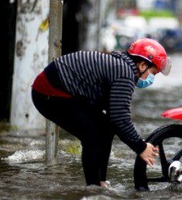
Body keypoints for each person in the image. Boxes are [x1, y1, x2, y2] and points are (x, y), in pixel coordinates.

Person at [31, 38, 171, 188]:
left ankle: (100, 182)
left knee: (106, 128)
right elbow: (120, 118)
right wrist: (141, 147)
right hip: (49, 93)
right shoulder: (124, 74)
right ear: (142, 65)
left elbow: (114, 119)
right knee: (94, 135)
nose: (151, 79)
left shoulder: (121, 66)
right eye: (153, 74)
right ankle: (93, 189)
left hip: (63, 91)